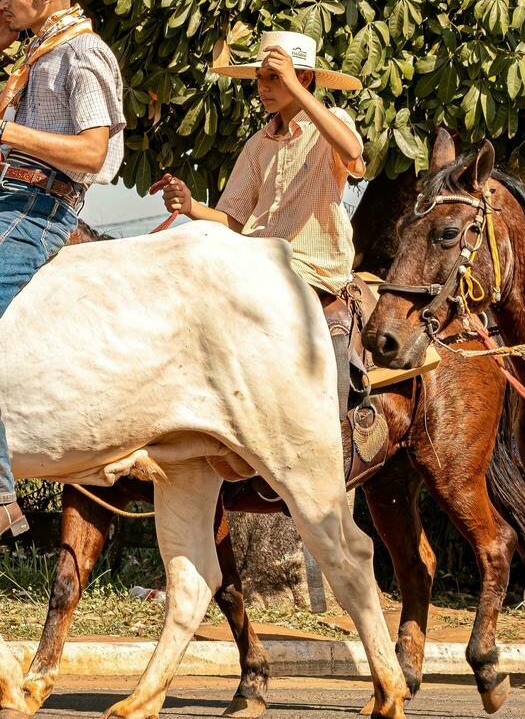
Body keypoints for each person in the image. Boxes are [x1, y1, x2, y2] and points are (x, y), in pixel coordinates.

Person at [150, 29, 370, 461]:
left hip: (311, 268)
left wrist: (299, 91)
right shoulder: (256, 146)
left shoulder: (333, 122)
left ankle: (335, 429)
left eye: (274, 77)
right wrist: (191, 205)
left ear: (304, 80)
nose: (263, 87)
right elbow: (233, 221)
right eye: (261, 78)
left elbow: (353, 152)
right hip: (257, 263)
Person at [0, 0, 126, 535]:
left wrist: (8, 133)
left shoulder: (83, 54)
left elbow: (93, 152)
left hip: (35, 209)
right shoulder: (39, 49)